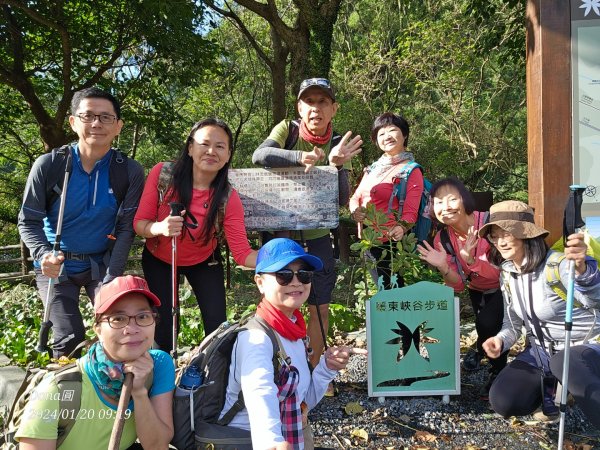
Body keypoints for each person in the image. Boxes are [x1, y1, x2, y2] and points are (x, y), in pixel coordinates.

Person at [18, 87, 145, 358]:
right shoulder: (49, 165)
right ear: (74, 122)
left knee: (121, 326)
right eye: (88, 116)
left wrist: (112, 278)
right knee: (69, 340)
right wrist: (43, 255)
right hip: (56, 266)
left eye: (105, 117)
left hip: (101, 263)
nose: (96, 123)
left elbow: (125, 229)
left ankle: (117, 392)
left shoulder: (128, 170)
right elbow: (28, 220)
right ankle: (68, 396)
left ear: (118, 126)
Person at [252, 77, 362, 368]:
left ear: (334, 108)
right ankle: (276, 367)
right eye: (309, 102)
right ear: (300, 107)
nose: (316, 108)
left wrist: (335, 165)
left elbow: (341, 199)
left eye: (322, 101)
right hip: (281, 231)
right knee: (275, 301)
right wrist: (302, 157)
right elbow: (260, 155)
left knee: (319, 305)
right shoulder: (286, 129)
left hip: (317, 234)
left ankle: (313, 370)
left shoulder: (339, 143)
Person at [221, 238, 367, 449]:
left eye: (304, 274)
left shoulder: (293, 329)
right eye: (284, 275)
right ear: (260, 283)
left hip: (293, 435)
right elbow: (259, 391)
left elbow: (302, 401)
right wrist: (270, 440)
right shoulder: (256, 339)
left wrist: (327, 367)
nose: (296, 282)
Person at [134, 118, 257, 352]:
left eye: (220, 146)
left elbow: (242, 254)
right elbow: (140, 223)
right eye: (204, 144)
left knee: (217, 326)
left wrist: (281, 259)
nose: (211, 151)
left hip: (204, 260)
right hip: (159, 258)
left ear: (229, 154)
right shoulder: (164, 175)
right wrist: (160, 228)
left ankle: (213, 377)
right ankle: (163, 379)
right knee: (164, 326)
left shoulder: (227, 198)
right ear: (190, 148)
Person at [16, 275, 175, 449]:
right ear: (98, 329)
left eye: (143, 316)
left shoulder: (159, 365)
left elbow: (158, 446)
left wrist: (139, 392)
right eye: (118, 319)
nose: (132, 329)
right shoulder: (58, 390)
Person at [478, 201, 600, 426]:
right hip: (543, 351)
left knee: (566, 361)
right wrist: (500, 341)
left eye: (508, 232)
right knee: (504, 400)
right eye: (495, 235)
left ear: (526, 234)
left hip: (586, 347)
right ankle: (559, 388)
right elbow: (513, 324)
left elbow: (596, 300)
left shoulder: (559, 265)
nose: (501, 241)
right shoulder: (508, 273)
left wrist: (583, 271)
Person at [416, 178, 506, 398]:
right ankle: (480, 349)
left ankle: (498, 372)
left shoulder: (491, 224)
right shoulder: (443, 238)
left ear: (465, 200)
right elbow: (457, 285)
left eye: (452, 199)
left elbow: (500, 271)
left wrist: (470, 259)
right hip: (477, 288)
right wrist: (445, 267)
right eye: (438, 202)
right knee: (483, 324)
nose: (445, 207)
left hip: (506, 286)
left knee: (488, 323)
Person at [350, 112, 424, 289]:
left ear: (404, 134)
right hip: (368, 239)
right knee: (382, 293)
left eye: (392, 130)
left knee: (391, 294)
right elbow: (355, 197)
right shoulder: (373, 169)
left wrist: (401, 227)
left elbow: (410, 211)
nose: (387, 136)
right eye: (381, 134)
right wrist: (355, 211)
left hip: (390, 243)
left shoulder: (410, 170)